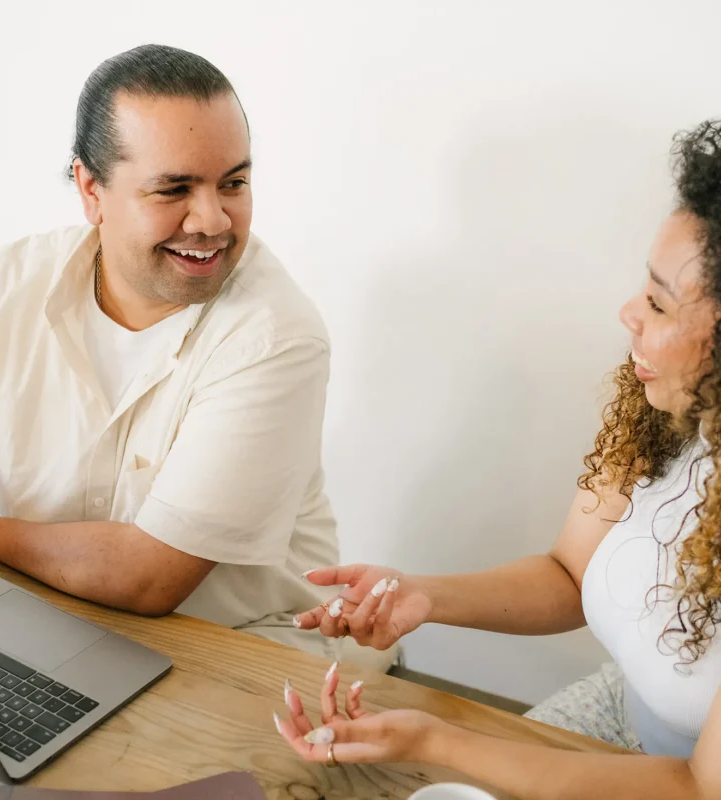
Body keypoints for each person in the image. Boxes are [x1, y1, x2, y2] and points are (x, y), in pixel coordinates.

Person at [274, 119, 721, 797]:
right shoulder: (666, 417)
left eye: (658, 303)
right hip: (616, 717)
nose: (628, 312)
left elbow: (695, 786)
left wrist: (437, 739)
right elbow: (570, 574)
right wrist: (422, 596)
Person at [0, 44, 393, 671]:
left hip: (253, 650)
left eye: (234, 183)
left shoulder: (276, 337)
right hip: (62, 625)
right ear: (91, 188)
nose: (213, 219)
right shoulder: (6, 285)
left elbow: (151, 576)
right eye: (174, 188)